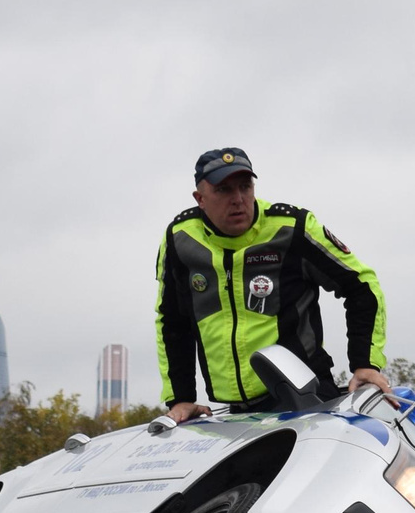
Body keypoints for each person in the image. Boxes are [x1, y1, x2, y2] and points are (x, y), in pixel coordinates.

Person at [154, 147, 390, 422]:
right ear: (200, 199)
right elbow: (172, 322)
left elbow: (362, 285)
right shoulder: (179, 239)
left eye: (245, 186)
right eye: (224, 190)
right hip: (236, 417)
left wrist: (365, 363)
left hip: (307, 404)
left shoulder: (292, 228)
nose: (238, 199)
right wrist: (181, 398)